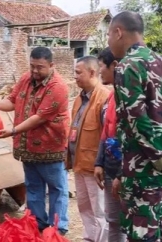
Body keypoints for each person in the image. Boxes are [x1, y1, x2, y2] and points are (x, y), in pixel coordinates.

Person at [0, 47, 70, 235]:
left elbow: (39, 117)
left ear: (51, 66)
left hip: (51, 148)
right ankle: (37, 225)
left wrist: (12, 131)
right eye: (32, 66)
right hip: (28, 147)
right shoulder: (26, 78)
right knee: (33, 188)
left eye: (40, 67)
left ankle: (57, 229)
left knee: (56, 189)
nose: (35, 71)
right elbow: (12, 101)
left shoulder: (58, 86)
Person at [108, 11, 162, 242]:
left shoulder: (127, 65)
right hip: (153, 170)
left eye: (109, 35)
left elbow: (136, 118)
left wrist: (158, 156)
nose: (108, 42)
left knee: (142, 231)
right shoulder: (157, 60)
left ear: (118, 32)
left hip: (143, 167)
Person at [67, 56, 110, 242]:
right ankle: (90, 238)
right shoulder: (79, 99)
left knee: (101, 210)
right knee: (85, 207)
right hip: (80, 163)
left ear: (92, 73)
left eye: (78, 72)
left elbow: (108, 136)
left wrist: (102, 164)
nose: (75, 76)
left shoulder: (104, 98)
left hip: (96, 168)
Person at [93, 47, 126, 242]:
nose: (99, 72)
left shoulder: (132, 98)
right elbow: (106, 132)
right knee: (113, 221)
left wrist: (122, 175)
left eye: (101, 67)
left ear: (115, 66)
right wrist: (99, 163)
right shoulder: (112, 96)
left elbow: (133, 140)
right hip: (110, 170)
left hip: (127, 173)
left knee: (134, 223)